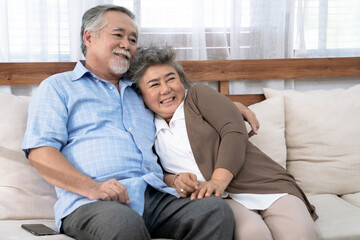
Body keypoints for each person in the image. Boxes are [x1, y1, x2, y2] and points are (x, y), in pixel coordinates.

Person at [21, 4, 259, 240]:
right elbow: (40, 152)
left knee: (214, 211)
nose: (127, 44)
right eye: (118, 35)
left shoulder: (141, 90)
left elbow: (181, 103)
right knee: (124, 223)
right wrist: (93, 188)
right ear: (89, 37)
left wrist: (230, 108)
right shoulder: (58, 87)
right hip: (92, 202)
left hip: (155, 196)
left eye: (133, 39)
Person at [127, 45, 322, 240]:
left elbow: (234, 131)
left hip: (263, 183)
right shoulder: (144, 126)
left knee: (301, 234)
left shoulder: (197, 96)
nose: (166, 89)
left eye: (171, 79)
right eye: (154, 84)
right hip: (220, 200)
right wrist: (176, 180)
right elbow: (155, 171)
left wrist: (218, 181)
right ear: (140, 94)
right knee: (252, 235)